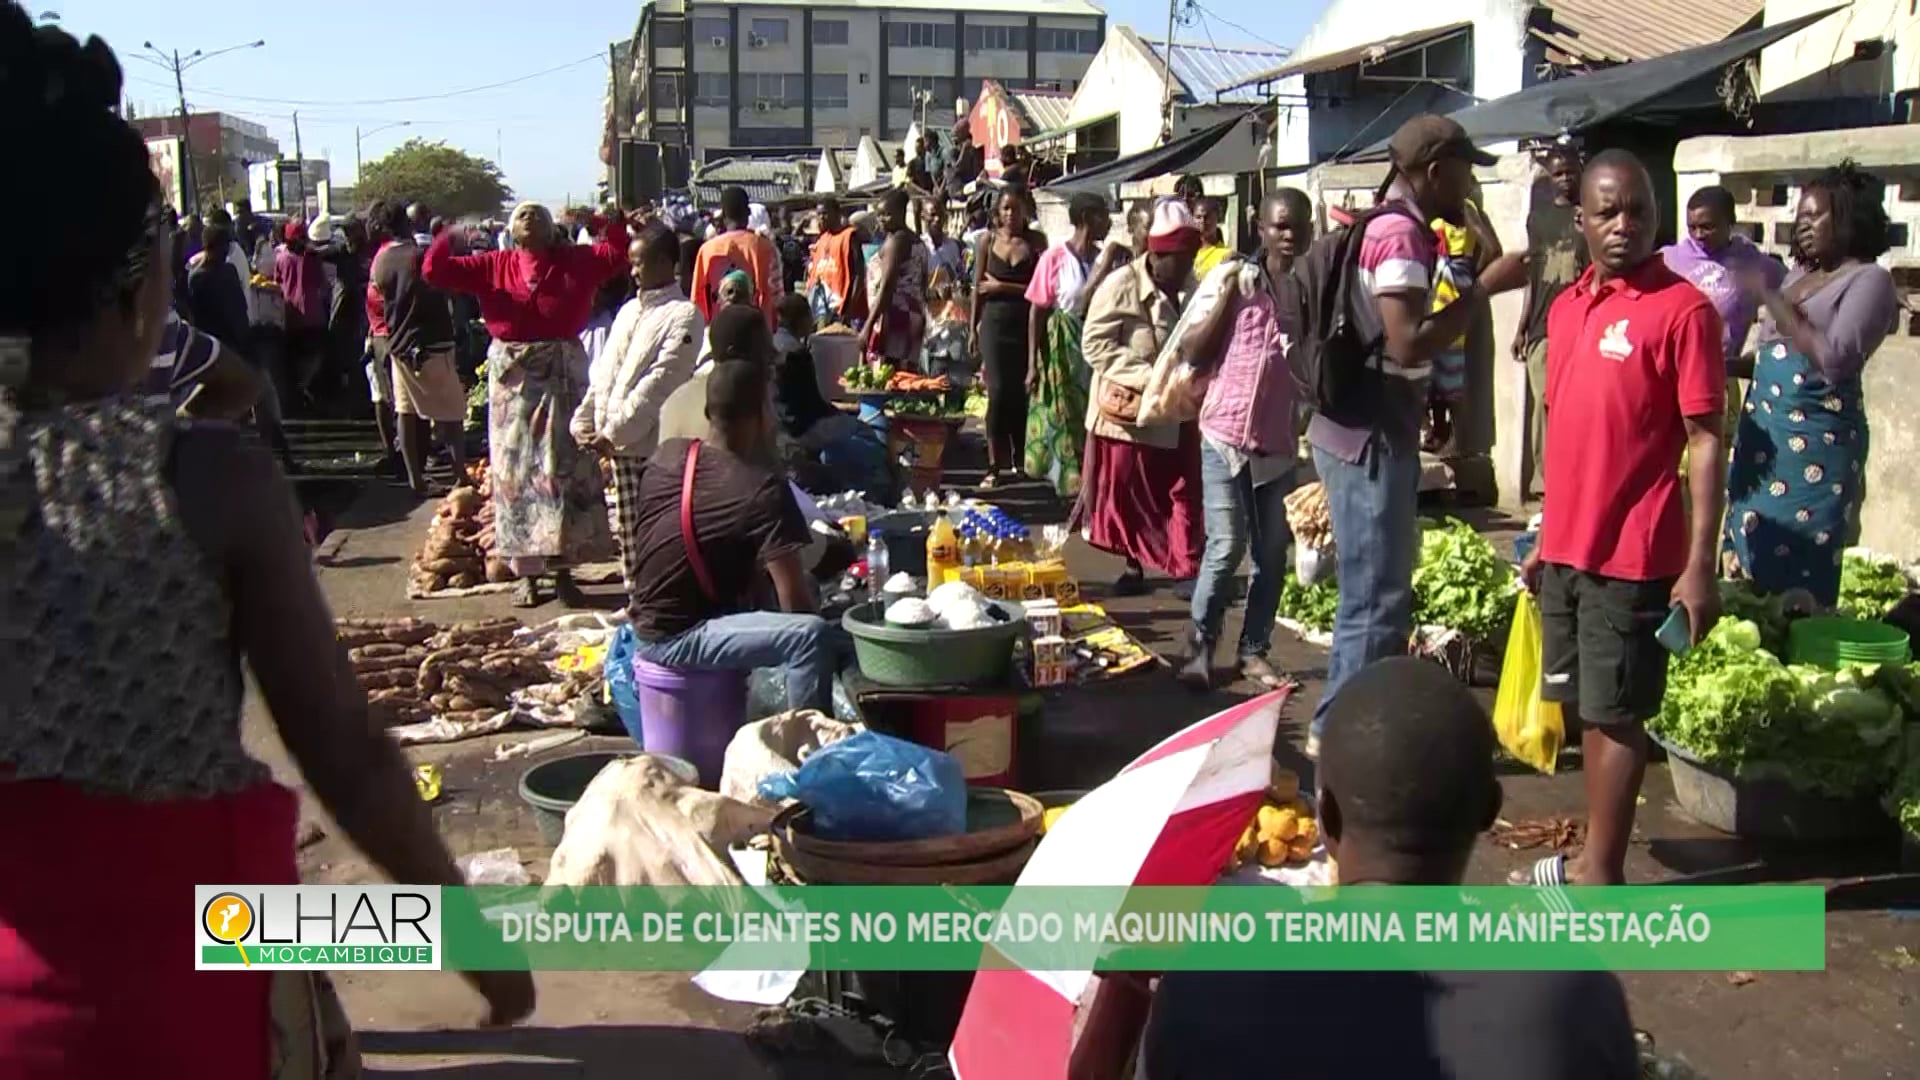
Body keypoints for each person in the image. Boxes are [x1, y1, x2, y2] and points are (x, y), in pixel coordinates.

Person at [0, 9, 534, 1071]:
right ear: (143, 280)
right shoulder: (204, 480)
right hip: (185, 997)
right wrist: (470, 936)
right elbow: (340, 744)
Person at [1142, 659, 1639, 1080]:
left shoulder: (1204, 990)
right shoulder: (1575, 1000)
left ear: (1327, 819)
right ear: (1489, 810)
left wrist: (1124, 1005)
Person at [1517, 149, 1727, 888]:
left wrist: (1700, 566)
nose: (1623, 226)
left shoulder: (1683, 312)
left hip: (1633, 553)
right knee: (1586, 709)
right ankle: (1589, 856)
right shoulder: (1568, 306)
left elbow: (1705, 442)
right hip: (1568, 548)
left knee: (1617, 716)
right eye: (1607, 211)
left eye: (1638, 211)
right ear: (1580, 220)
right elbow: (1567, 431)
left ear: (1657, 218)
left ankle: (1598, 877)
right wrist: (1545, 533)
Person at [1305, 115, 1528, 759]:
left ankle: (1353, 723)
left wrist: (1429, 394)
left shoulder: (1393, 226)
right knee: (1375, 595)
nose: (1471, 185)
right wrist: (1486, 285)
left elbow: (1400, 345)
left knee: (1379, 590)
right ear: (1435, 171)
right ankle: (1339, 731)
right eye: (1465, 170)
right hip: (1368, 435)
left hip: (1368, 425)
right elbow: (1407, 338)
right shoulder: (1401, 236)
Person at [622, 339, 847, 713]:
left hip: (646, 623)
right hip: (678, 638)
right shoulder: (761, 487)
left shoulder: (667, 456)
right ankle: (807, 747)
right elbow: (796, 607)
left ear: (709, 412)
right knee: (811, 637)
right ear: (763, 414)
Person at [423, 200, 627, 607]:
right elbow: (434, 271)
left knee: (563, 472)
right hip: (513, 383)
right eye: (522, 214)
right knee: (516, 477)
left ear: (553, 229)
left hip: (563, 379)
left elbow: (618, 253)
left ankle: (565, 572)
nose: (530, 217)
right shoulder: (492, 265)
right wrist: (448, 236)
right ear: (511, 231)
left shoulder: (576, 261)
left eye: (539, 213)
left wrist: (602, 221)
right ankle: (528, 576)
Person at [1724, 163, 1899, 606]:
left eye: (1813, 216)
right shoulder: (1797, 278)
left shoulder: (1870, 281)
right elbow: (1774, 358)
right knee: (1747, 565)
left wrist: (1769, 299)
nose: (1801, 226)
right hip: (1764, 450)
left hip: (1814, 455)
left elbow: (1835, 359)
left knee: (1800, 577)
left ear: (1847, 219)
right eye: (1799, 217)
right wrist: (1723, 364)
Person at [1177, 189, 1315, 691]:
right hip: (1225, 433)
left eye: (1297, 226)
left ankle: (1253, 651)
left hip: (1277, 441)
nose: (1289, 235)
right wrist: (1232, 296)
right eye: (1279, 226)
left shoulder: (1307, 288)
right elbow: (1193, 349)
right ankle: (1199, 646)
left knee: (1272, 553)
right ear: (1260, 227)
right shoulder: (1234, 279)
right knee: (1227, 544)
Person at [1077, 200, 1206, 594]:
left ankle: (1187, 567)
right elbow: (1095, 344)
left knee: (1185, 488)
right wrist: (1149, 376)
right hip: (1130, 416)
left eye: (1190, 258)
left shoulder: (1193, 287)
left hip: (1178, 408)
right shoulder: (1121, 285)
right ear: (1157, 255)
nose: (1185, 267)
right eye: (1178, 259)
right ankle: (1134, 565)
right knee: (1130, 497)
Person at [572, 223, 704, 595]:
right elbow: (605, 374)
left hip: (648, 446)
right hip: (618, 446)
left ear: (665, 263)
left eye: (639, 263)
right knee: (630, 540)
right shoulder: (629, 311)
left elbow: (659, 384)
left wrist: (612, 433)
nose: (633, 271)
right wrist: (583, 420)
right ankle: (639, 604)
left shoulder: (684, 315)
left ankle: (656, 607)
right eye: (630, 264)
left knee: (653, 537)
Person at [1022, 192, 1121, 496]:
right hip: (1061, 349)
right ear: (1088, 218)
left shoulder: (1104, 258)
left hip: (1097, 348)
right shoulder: (1055, 258)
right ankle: (1071, 485)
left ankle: (1094, 484)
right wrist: (1032, 364)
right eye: (1104, 216)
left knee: (1096, 416)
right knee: (1064, 417)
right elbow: (1037, 311)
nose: (1109, 222)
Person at [370, 201, 469, 496]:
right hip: (432, 343)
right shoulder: (419, 257)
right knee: (451, 413)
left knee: (407, 411)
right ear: (408, 224)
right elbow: (445, 290)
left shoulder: (381, 260)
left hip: (398, 344)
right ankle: (460, 477)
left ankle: (417, 480)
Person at [1514, 145, 1587, 500]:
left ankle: (1573, 481)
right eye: (1557, 173)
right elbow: (1533, 276)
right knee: (1545, 403)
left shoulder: (1591, 217)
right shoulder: (1538, 219)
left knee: (1576, 406)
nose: (1564, 179)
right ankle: (1547, 484)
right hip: (1544, 325)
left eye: (1570, 172)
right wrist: (1522, 325)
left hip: (1582, 326)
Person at [971, 186, 1045, 484]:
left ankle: (1019, 457)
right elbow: (978, 288)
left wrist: (1003, 287)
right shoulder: (987, 241)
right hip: (994, 324)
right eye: (1006, 209)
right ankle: (993, 464)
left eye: (1016, 208)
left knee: (1021, 392)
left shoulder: (1036, 242)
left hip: (1026, 325)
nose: (1011, 215)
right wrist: (972, 329)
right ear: (997, 212)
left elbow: (1040, 291)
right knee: (998, 392)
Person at [692, 186, 782, 327]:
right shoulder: (765, 248)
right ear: (748, 212)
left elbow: (698, 300)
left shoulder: (706, 251)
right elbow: (776, 296)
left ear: (723, 215)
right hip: (757, 333)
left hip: (718, 332)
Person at [864, 187, 933, 372]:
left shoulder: (896, 242)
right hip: (915, 315)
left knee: (889, 376)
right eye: (879, 215)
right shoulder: (917, 241)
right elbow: (923, 284)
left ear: (901, 213)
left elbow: (887, 286)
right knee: (906, 377)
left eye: (886, 214)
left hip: (895, 316)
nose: (881, 220)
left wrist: (867, 326)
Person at [274, 218, 328, 406]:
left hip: (290, 314)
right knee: (316, 354)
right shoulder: (311, 258)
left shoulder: (281, 258)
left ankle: (298, 389)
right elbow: (322, 284)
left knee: (295, 356)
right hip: (312, 315)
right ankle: (303, 385)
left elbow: (277, 281)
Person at [805, 195, 866, 326]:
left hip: (843, 309)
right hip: (822, 310)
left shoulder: (850, 236)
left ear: (837, 213)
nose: (821, 218)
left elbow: (860, 275)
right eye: (819, 214)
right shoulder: (822, 238)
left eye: (825, 213)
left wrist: (849, 310)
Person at [923, 207, 967, 291]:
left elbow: (958, 274)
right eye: (932, 215)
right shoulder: (919, 247)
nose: (937, 219)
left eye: (940, 215)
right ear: (924, 217)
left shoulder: (953, 245)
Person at [1192, 197, 1232, 278]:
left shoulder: (1225, 255)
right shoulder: (1187, 252)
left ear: (1217, 218)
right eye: (1198, 217)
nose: (1202, 221)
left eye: (1207, 217)